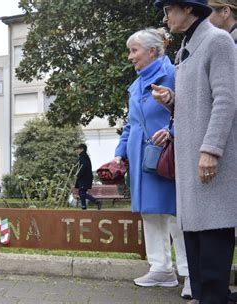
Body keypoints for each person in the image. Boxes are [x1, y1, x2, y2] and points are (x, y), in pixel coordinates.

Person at [152, 1, 237, 303]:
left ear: (189, 9)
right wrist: (171, 99)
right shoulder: (185, 49)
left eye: (169, 10)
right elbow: (198, 101)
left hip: (209, 162)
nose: (165, 17)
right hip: (190, 162)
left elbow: (226, 100)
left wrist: (211, 150)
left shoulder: (218, 41)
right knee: (199, 268)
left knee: (213, 260)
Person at [113, 28, 190, 298]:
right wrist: (120, 153)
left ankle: (190, 273)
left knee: (174, 214)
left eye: (134, 51)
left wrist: (173, 133)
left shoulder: (174, 74)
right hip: (140, 158)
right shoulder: (135, 85)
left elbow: (190, 111)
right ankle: (160, 269)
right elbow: (130, 125)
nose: (130, 57)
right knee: (150, 212)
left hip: (166, 157)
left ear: (152, 51)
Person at [74, 144, 101, 210]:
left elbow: (83, 167)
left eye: (78, 149)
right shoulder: (84, 156)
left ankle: (96, 201)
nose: (77, 150)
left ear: (82, 149)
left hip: (84, 178)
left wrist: (78, 175)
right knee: (81, 192)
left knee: (82, 192)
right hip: (85, 177)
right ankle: (83, 207)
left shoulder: (83, 156)